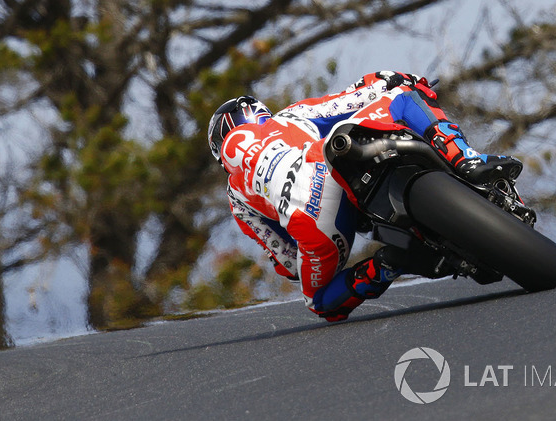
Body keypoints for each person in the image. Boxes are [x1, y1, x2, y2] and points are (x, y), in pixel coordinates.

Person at [207, 71, 522, 322]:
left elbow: (287, 259)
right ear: (258, 113)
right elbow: (349, 100)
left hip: (312, 221)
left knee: (319, 303)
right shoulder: (288, 117)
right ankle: (465, 158)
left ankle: (385, 267)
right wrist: (396, 80)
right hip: (327, 160)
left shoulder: (236, 195)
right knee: (402, 97)